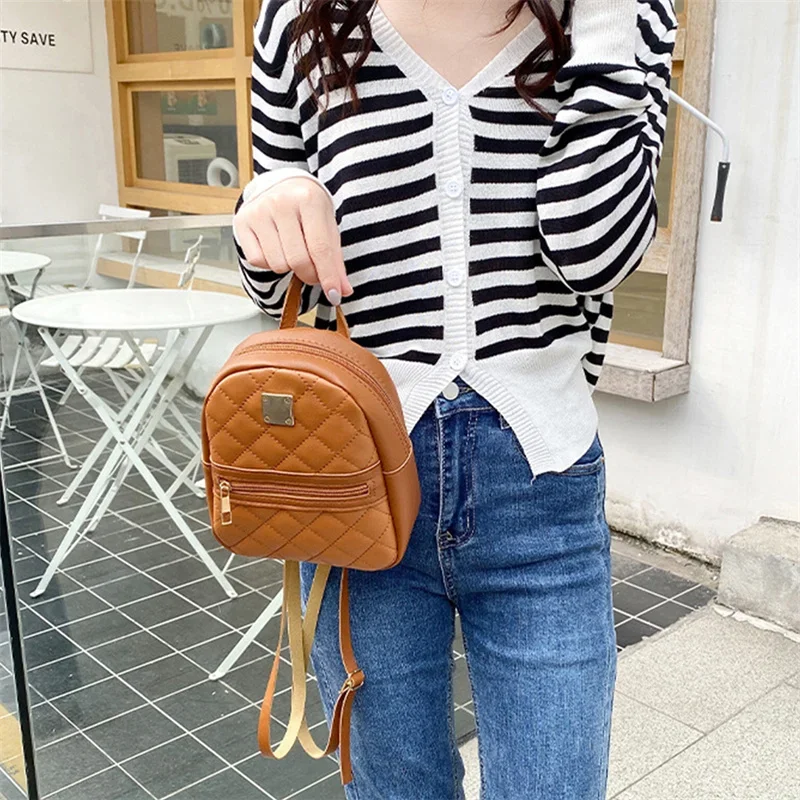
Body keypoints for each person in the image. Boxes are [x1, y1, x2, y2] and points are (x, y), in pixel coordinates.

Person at [232, 1, 678, 797]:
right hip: (356, 481)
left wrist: (611, 22)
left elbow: (595, 250)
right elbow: (274, 291)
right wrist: (267, 206)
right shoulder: (297, 15)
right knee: (393, 787)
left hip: (541, 483)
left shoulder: (614, 18)